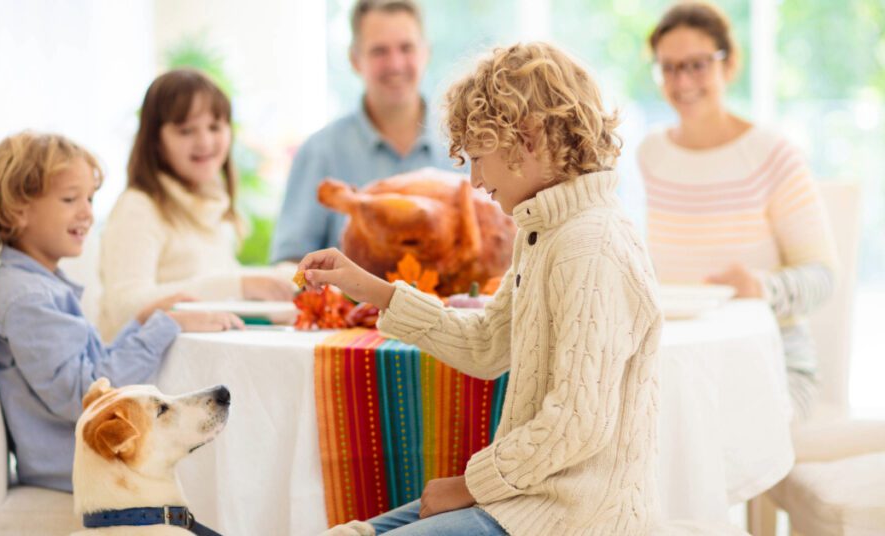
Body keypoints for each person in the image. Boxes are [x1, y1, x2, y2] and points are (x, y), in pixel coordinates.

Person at [300, 42, 663, 536]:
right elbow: (488, 345)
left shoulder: (591, 244)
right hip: (522, 502)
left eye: (477, 157)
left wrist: (469, 485)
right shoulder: (544, 232)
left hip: (574, 518)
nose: (473, 180)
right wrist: (371, 288)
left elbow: (577, 422)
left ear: (527, 138)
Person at [0, 131, 243, 492]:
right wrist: (164, 326)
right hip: (78, 471)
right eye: (70, 199)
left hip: (82, 461)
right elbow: (90, 398)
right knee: (217, 465)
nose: (87, 212)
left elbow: (95, 368)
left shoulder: (37, 286)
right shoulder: (28, 298)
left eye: (89, 198)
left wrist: (142, 321)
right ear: (18, 210)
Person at [640, 1, 836, 420]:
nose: (683, 80)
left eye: (697, 64)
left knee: (711, 433)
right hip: (679, 361)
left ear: (729, 66)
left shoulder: (772, 155)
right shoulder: (650, 156)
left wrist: (760, 288)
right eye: (669, 67)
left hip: (772, 362)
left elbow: (823, 277)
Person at [99, 69, 294, 341]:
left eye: (215, 127)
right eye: (186, 130)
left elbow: (215, 281)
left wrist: (290, 277)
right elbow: (124, 307)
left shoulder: (210, 204)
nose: (204, 142)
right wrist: (239, 285)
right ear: (155, 140)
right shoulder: (139, 207)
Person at [270, 0, 458, 263]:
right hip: (352, 304)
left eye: (406, 48)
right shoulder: (320, 152)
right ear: (355, 60)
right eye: (379, 51)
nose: (395, 63)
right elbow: (291, 263)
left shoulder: (468, 144)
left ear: (426, 52)